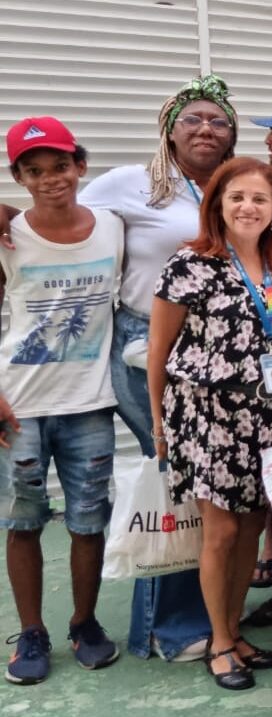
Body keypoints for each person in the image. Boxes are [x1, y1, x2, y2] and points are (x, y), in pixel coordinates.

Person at [80, 75, 240, 664]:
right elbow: (62, 223)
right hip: (146, 343)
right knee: (176, 476)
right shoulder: (132, 184)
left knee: (202, 484)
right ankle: (169, 628)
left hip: (215, 349)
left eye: (218, 121)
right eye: (193, 119)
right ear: (170, 129)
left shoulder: (231, 185)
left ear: (232, 135)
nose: (206, 129)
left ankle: (201, 613)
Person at [147, 157, 272, 690]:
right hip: (206, 413)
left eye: (260, 199)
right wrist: (158, 425)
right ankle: (219, 641)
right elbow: (159, 350)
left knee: (249, 529)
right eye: (237, 196)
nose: (248, 207)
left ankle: (234, 630)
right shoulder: (190, 264)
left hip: (265, 415)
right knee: (220, 531)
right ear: (217, 203)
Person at [1, 117, 123, 685]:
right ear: (19, 178)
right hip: (18, 405)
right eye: (34, 171)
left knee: (86, 522)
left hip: (88, 403)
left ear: (80, 166)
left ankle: (84, 623)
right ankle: (31, 631)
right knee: (23, 522)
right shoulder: (10, 234)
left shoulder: (113, 229)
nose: (50, 179)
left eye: (59, 166)